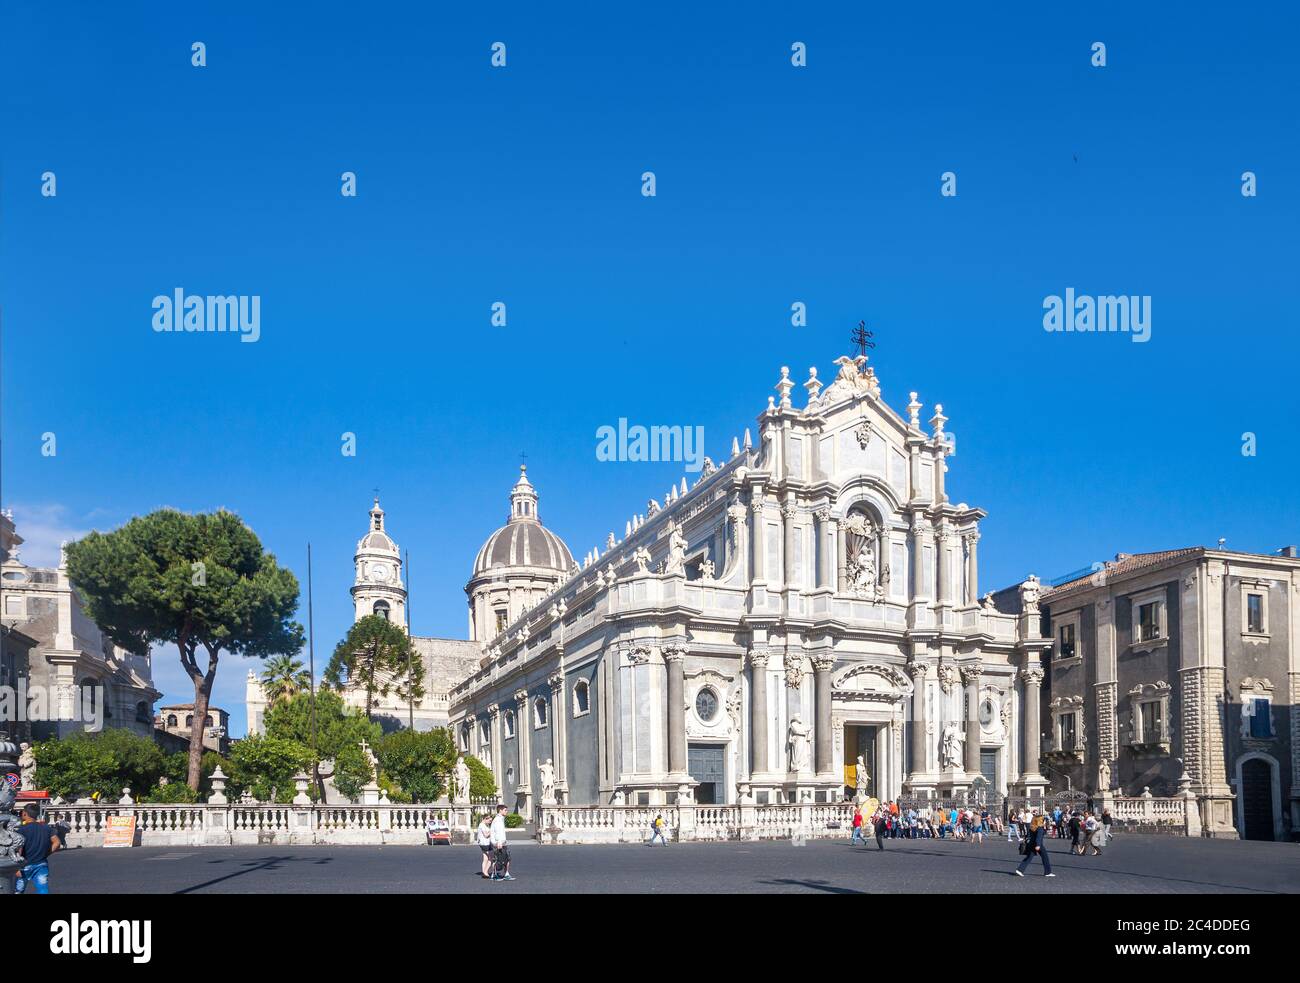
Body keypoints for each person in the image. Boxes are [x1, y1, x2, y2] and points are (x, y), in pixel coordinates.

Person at [14, 805, 61, 895]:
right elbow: (57, 842)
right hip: (41, 863)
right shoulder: (46, 828)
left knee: (18, 890)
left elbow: (18, 849)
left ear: (25, 814)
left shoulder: (21, 830)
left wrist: (16, 867)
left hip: (24, 865)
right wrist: (47, 853)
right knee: (43, 890)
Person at [1014, 813, 1054, 877]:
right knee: (1045, 857)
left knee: (1029, 857)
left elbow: (1028, 835)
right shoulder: (1040, 828)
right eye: (1042, 820)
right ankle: (1047, 872)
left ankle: (1020, 869)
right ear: (1040, 821)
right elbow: (1039, 837)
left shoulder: (1032, 827)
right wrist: (1038, 845)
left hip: (1031, 843)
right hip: (1038, 844)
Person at [489, 803, 513, 881]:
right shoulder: (497, 820)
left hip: (502, 842)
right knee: (497, 859)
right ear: (500, 810)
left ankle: (506, 874)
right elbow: (497, 832)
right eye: (505, 810)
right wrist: (499, 842)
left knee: (507, 858)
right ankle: (494, 874)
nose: (507, 812)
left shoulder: (500, 819)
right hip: (498, 843)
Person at [475, 812, 494, 878]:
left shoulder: (484, 825)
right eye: (489, 820)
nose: (490, 822)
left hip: (484, 843)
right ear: (485, 819)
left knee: (485, 858)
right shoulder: (482, 825)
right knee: (491, 857)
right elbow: (486, 835)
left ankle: (484, 872)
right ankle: (486, 872)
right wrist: (492, 830)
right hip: (485, 843)